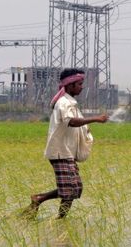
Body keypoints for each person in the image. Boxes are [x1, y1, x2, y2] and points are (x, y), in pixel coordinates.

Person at [23, 68, 108, 219]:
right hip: (60, 152)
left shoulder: (71, 103)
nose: (82, 87)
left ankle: (52, 213)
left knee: (75, 189)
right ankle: (54, 215)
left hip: (67, 152)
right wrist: (96, 118)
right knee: (70, 190)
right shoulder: (63, 103)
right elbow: (72, 122)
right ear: (69, 85)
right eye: (79, 84)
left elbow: (78, 125)